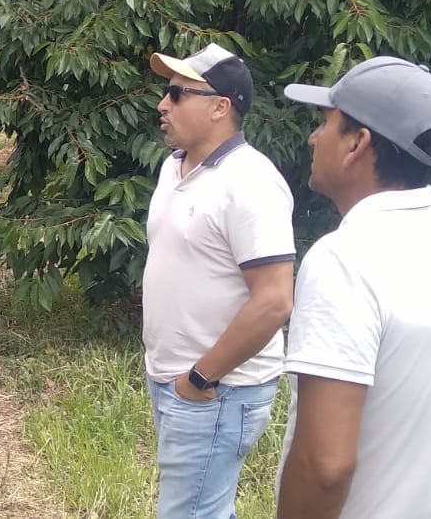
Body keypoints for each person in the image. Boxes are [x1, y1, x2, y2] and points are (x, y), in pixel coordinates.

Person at [276, 56, 431, 519]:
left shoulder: (343, 260)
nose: (314, 137)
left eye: (326, 123)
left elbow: (326, 467)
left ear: (357, 143)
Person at [142, 44, 297, 519]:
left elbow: (275, 301)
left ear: (219, 107)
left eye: (177, 93)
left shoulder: (250, 183)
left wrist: (199, 377)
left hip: (218, 389)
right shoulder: (175, 168)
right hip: (175, 379)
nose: (162, 104)